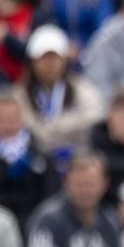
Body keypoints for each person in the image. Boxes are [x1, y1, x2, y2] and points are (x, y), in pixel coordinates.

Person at [25, 153, 124, 247]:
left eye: (91, 185)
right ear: (66, 183)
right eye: (79, 185)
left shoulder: (110, 222)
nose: (85, 191)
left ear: (105, 185)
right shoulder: (48, 221)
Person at [0, 91, 59, 226]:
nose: (7, 125)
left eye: (12, 119)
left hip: (33, 221)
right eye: (2, 119)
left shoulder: (39, 154)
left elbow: (50, 195)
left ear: (21, 119)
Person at [18, 25, 105, 156]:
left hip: (76, 157)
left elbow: (95, 116)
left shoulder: (80, 88)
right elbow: (28, 127)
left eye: (54, 58)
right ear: (33, 62)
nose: (49, 65)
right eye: (43, 59)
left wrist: (54, 126)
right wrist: (70, 128)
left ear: (64, 60)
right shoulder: (21, 93)